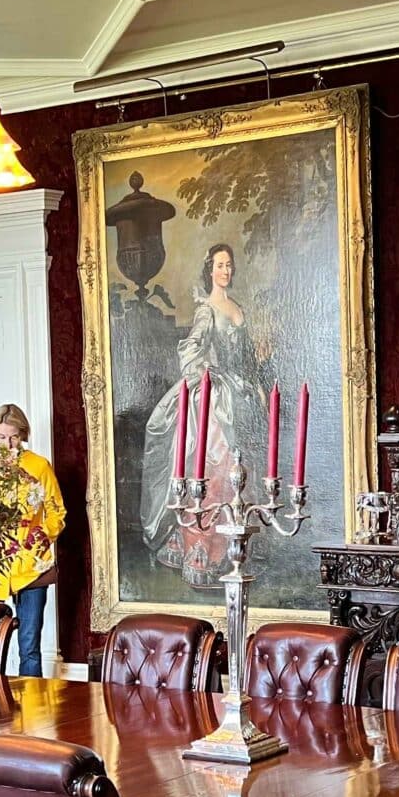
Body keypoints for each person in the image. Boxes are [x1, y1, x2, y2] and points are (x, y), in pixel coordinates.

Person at [140, 243, 273, 586]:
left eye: (229, 265)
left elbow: (244, 355)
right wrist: (206, 374)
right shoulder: (207, 309)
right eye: (219, 265)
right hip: (216, 399)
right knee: (215, 471)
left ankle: (234, 548)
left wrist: (257, 382)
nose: (225, 270)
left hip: (240, 394)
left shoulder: (237, 307)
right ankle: (204, 549)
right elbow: (190, 349)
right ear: (209, 270)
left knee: (239, 472)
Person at [0, 403, 66, 677]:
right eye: (2, 437)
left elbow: (57, 511)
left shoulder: (38, 466)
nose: (8, 444)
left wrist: (42, 537)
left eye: (14, 437)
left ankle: (32, 701)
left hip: (31, 567)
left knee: (29, 644)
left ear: (23, 434)